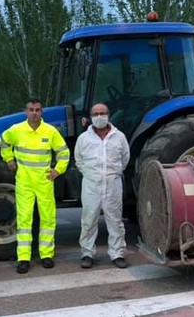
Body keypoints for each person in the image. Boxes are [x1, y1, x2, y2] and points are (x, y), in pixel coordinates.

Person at [0, 98, 70, 274]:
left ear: (41, 112)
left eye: (38, 110)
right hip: (24, 181)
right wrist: (9, 159)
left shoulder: (50, 131)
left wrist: (58, 170)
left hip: (45, 181)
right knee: (24, 220)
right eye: (31, 109)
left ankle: (46, 255)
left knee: (48, 218)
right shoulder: (17, 130)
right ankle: (24, 258)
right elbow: (3, 142)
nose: (34, 113)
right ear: (26, 111)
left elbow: (63, 151)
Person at [75, 103, 130, 269]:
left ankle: (117, 254)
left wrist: (114, 172)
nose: (99, 116)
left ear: (108, 115)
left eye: (103, 113)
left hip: (113, 185)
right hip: (91, 185)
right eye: (96, 113)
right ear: (91, 116)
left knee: (115, 220)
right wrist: (91, 175)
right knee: (88, 220)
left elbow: (125, 158)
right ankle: (87, 254)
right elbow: (79, 160)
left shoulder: (119, 136)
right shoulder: (83, 139)